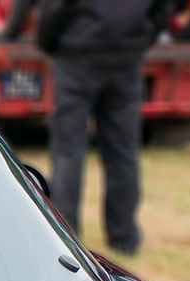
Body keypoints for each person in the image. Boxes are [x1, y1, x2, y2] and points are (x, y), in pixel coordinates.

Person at [37, 0, 175, 257]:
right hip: (126, 55)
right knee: (123, 151)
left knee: (69, 150)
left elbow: (54, 8)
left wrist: (49, 42)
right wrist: (142, 36)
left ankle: (65, 233)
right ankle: (124, 237)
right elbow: (164, 7)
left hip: (78, 52)